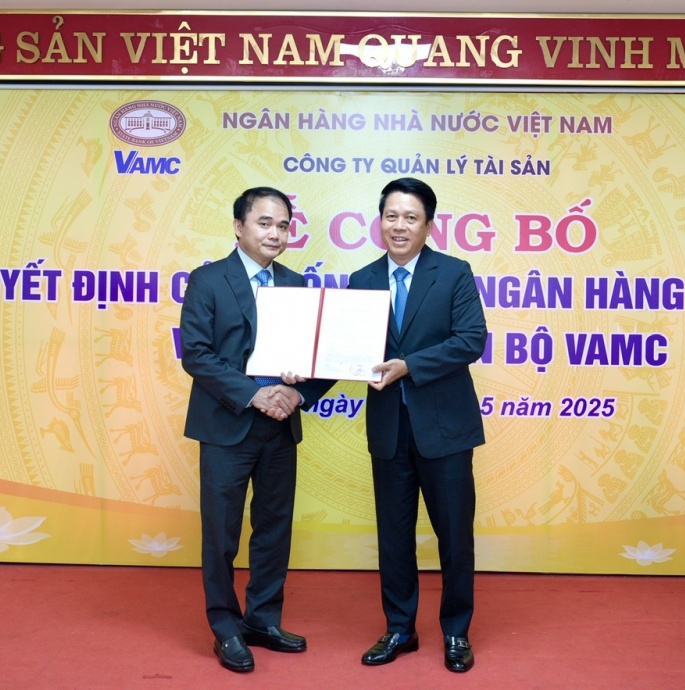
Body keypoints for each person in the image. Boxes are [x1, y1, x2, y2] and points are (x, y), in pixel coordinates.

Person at [179, 186, 330, 674]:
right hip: (228, 425)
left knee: (273, 530)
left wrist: (297, 394)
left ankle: (263, 620)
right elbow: (196, 354)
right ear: (238, 226)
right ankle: (226, 627)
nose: (276, 234)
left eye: (283, 225)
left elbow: (317, 358)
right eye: (265, 223)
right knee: (221, 534)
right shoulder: (207, 280)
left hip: (280, 426)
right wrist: (254, 394)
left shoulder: (297, 284)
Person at [351, 177, 487, 673]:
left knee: (454, 536)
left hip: (445, 428)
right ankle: (399, 629)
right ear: (379, 221)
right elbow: (349, 351)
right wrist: (299, 381)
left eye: (410, 217)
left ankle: (456, 631)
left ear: (428, 225)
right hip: (389, 429)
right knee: (394, 536)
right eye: (391, 216)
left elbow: (471, 339)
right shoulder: (361, 279)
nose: (399, 226)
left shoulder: (453, 273)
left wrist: (410, 365)